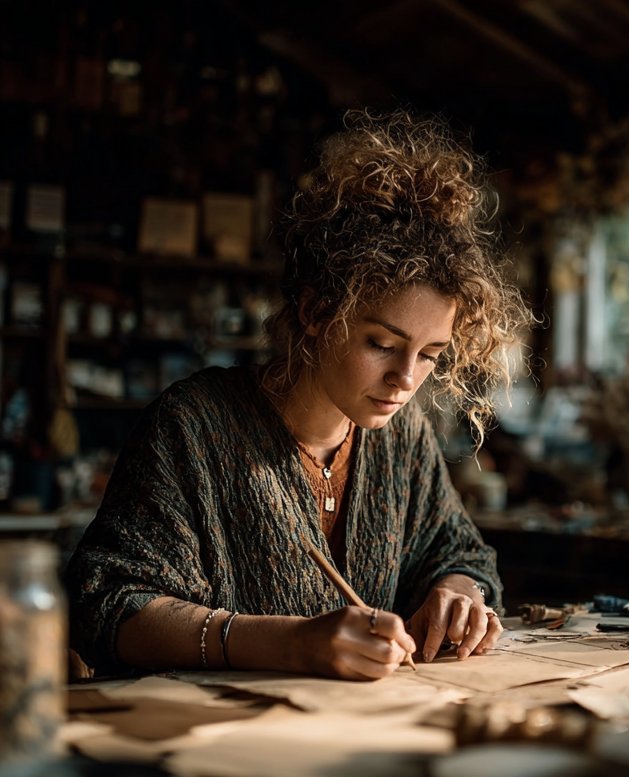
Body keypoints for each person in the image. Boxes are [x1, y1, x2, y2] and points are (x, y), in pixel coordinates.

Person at [65, 110, 532, 681]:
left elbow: (459, 553)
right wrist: (290, 644)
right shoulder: (194, 425)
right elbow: (108, 602)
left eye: (431, 354)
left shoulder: (403, 437)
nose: (406, 378)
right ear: (314, 312)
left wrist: (457, 593)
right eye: (382, 343)